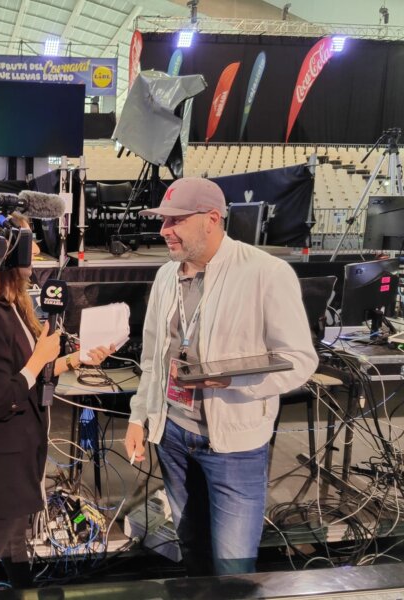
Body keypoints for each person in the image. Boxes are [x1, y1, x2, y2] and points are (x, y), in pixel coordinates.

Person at [123, 177, 318, 576]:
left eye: (175, 220)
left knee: (233, 566)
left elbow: (299, 359)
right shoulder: (166, 276)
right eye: (162, 221)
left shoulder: (266, 273)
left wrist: (234, 380)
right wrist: (138, 416)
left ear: (211, 219)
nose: (164, 231)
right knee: (192, 551)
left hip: (234, 447)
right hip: (173, 436)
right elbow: (153, 358)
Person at [0, 213, 115, 593]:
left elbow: (28, 376)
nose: (38, 253)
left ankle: (24, 591)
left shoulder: (13, 308)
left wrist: (74, 360)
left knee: (14, 544)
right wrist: (38, 359)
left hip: (17, 458)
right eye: (29, 244)